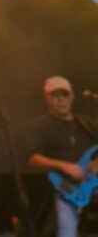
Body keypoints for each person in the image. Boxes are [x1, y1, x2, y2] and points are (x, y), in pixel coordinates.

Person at [27, 75, 98, 237]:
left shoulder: (86, 124)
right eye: (55, 95)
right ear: (46, 98)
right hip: (63, 187)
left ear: (72, 97)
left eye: (64, 95)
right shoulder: (40, 126)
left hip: (91, 182)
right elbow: (32, 159)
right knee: (66, 231)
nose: (60, 99)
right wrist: (62, 165)